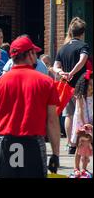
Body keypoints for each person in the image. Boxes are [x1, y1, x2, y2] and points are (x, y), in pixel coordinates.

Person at [0, 36, 61, 178]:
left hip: (6, 143)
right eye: (34, 52)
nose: (36, 56)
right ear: (29, 54)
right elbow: (52, 120)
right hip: (33, 144)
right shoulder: (46, 82)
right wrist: (55, 153)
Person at [53, 17, 89, 154]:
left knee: (68, 115)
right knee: (81, 113)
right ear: (82, 33)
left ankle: (70, 144)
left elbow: (56, 67)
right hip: (81, 86)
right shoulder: (83, 46)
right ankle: (80, 143)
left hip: (66, 86)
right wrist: (72, 72)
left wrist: (63, 73)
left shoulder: (63, 49)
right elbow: (83, 60)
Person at [70, 70, 93, 178]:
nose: (91, 88)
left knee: (87, 148)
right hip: (81, 123)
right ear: (84, 85)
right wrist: (84, 124)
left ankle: (84, 168)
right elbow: (80, 110)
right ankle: (76, 167)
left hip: (90, 124)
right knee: (79, 148)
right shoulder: (80, 96)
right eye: (90, 85)